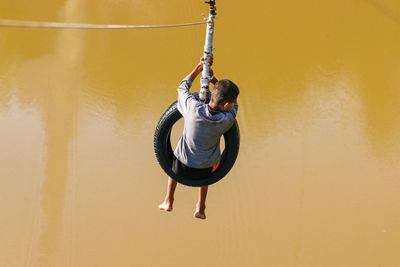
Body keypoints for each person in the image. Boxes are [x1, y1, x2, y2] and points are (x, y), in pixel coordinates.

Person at [158, 56, 239, 219]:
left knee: (173, 157)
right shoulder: (227, 119)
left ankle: (168, 200)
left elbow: (182, 88)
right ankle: (200, 207)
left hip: (180, 167)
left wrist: (199, 69)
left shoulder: (192, 108)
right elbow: (234, 106)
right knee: (208, 163)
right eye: (232, 101)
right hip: (205, 171)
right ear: (225, 105)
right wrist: (211, 79)